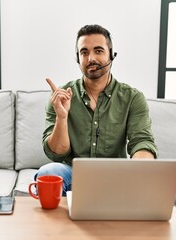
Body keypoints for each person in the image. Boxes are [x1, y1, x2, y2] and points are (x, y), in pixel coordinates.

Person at [36, 24, 158, 195]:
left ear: (111, 55)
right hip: (74, 174)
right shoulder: (60, 97)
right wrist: (61, 118)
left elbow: (142, 142)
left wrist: (138, 171)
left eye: (98, 51)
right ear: (78, 59)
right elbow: (56, 154)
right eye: (84, 52)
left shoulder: (132, 98)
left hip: (117, 176)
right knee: (49, 172)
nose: (91, 58)